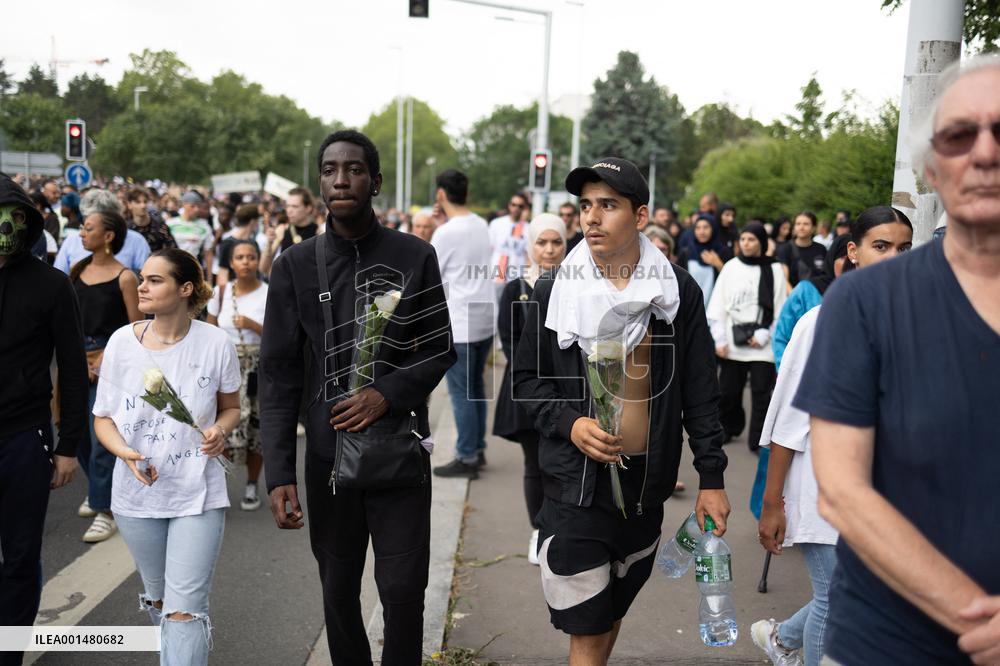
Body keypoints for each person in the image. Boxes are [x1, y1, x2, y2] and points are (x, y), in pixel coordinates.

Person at [795, 55, 1000, 666]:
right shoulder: (865, 302)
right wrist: (982, 621)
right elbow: (843, 492)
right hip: (885, 645)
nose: (985, 153)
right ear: (932, 169)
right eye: (959, 135)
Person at [513, 158, 730, 665]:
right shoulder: (553, 290)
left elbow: (700, 392)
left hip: (644, 487)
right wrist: (571, 424)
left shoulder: (675, 293)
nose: (591, 217)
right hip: (575, 486)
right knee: (587, 630)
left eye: (608, 205)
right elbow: (525, 382)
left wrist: (712, 478)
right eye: (586, 205)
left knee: (609, 614)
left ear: (640, 215)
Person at [260, 130, 454, 665]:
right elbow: (277, 375)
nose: (341, 179)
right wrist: (278, 471)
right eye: (330, 170)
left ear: (376, 181)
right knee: (338, 591)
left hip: (399, 454)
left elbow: (439, 348)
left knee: (403, 591)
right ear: (320, 182)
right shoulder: (294, 265)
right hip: (329, 462)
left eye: (354, 169)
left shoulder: (415, 256)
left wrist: (384, 395)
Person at [750, 206, 913, 666]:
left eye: (904, 248)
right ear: (853, 252)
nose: (894, 257)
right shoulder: (820, 324)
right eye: (881, 246)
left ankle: (780, 640)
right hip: (820, 486)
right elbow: (787, 423)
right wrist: (772, 503)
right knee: (837, 598)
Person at [92, 248, 240, 665]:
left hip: (198, 493)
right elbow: (103, 419)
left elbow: (231, 407)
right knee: (159, 602)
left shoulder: (215, 342)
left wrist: (219, 430)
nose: (141, 286)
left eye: (154, 280)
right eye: (143, 278)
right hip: (137, 497)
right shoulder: (122, 342)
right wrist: (125, 452)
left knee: (185, 609)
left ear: (185, 288)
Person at [0, 173, 88, 666]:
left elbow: (72, 367)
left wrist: (68, 444)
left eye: (15, 218)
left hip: (24, 437)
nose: (6, 228)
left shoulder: (52, 285)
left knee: (19, 555)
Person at [493, 213, 566, 565]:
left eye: (556, 242)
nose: (549, 250)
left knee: (563, 464)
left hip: (567, 391)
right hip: (527, 391)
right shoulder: (516, 289)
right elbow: (508, 340)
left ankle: (562, 529)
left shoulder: (577, 284)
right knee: (534, 463)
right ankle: (538, 529)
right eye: (542, 242)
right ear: (530, 245)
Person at [71, 210, 143, 542]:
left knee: (103, 437)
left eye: (88, 228)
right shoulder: (77, 270)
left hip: (110, 362)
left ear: (109, 236)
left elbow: (136, 327)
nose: (82, 233)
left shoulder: (125, 277)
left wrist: (104, 358)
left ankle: (106, 509)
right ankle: (100, 490)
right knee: (75, 434)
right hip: (75, 358)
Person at [431, 169, 495, 480]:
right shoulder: (481, 224)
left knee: (461, 394)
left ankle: (466, 455)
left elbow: (434, 274)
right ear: (466, 193)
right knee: (476, 389)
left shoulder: (445, 233)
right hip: (484, 317)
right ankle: (477, 448)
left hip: (460, 322)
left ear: (441, 194)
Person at [707, 223, 787, 452]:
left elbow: (780, 306)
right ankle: (728, 428)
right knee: (729, 392)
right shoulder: (731, 267)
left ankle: (758, 440)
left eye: (751, 240)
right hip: (734, 339)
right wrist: (720, 340)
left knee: (762, 393)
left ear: (761, 242)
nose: (746, 244)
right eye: (743, 239)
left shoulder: (774, 268)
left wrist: (765, 333)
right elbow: (718, 304)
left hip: (763, 341)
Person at [207, 239, 267, 511]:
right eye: (240, 257)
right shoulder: (220, 292)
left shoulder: (268, 293)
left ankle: (252, 484)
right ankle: (219, 487)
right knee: (222, 428)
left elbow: (281, 336)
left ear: (258, 260)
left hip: (257, 370)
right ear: (231, 263)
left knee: (256, 428)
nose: (246, 262)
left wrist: (252, 324)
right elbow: (208, 334)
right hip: (226, 369)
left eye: (251, 256)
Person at [55, 189, 151, 274]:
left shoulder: (136, 241)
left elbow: (145, 278)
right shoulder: (72, 240)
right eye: (86, 218)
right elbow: (59, 278)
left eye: (91, 225)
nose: (82, 233)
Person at [260, 187, 317, 276]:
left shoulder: (319, 232)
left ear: (308, 208)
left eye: (294, 206)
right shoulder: (282, 230)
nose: (289, 211)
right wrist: (269, 243)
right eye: (287, 206)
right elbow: (263, 268)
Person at [677, 214, 731, 305]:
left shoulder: (723, 252)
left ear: (713, 229)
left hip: (714, 306)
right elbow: (678, 281)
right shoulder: (686, 253)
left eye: (706, 227)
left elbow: (731, 280)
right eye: (698, 228)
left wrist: (718, 265)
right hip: (690, 306)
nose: (701, 232)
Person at [488, 191, 530, 297]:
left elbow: (528, 255)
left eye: (520, 206)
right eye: (514, 204)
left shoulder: (528, 228)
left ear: (524, 208)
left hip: (516, 278)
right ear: (509, 205)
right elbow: (488, 249)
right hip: (496, 276)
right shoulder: (496, 224)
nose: (516, 208)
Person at [167, 191, 215, 275]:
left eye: (198, 206)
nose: (196, 209)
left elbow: (208, 253)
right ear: (184, 205)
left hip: (193, 269)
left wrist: (209, 278)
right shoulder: (170, 224)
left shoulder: (204, 226)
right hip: (171, 269)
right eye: (192, 206)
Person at [775, 212, 826, 288]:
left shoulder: (821, 249)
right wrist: (796, 294)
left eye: (806, 224)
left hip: (817, 293)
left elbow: (825, 276)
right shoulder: (786, 249)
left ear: (814, 228)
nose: (801, 227)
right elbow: (784, 280)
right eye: (798, 224)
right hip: (793, 293)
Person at [215, 204, 260, 286]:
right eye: (257, 221)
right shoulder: (227, 243)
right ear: (253, 221)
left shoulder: (254, 243)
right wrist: (223, 293)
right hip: (233, 288)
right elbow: (223, 272)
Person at [126, 187, 177, 253]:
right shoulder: (126, 229)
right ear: (129, 205)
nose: (143, 206)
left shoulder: (160, 227)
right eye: (138, 202)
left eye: (145, 202)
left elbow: (173, 250)